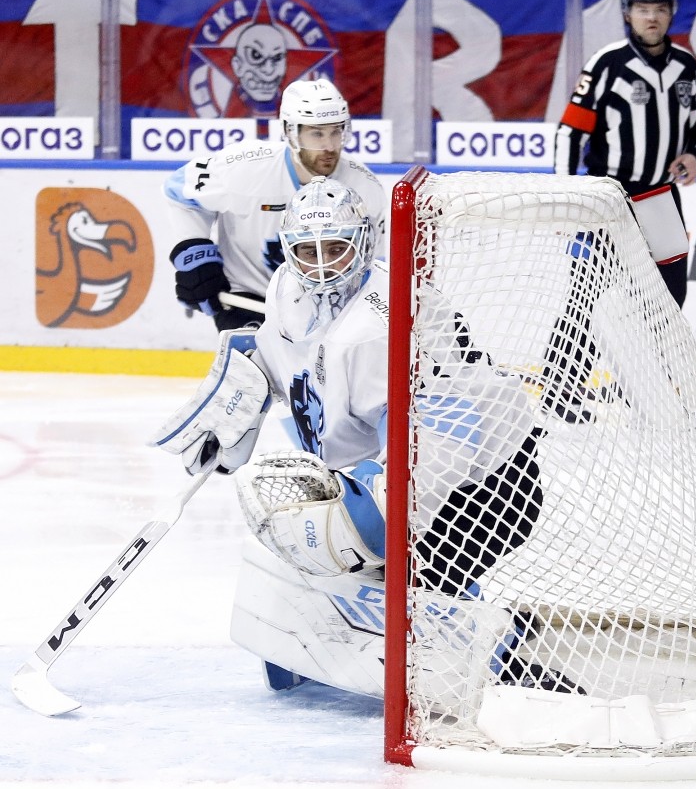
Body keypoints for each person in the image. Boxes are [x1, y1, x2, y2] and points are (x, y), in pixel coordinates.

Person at [149, 178, 556, 699]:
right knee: (354, 544)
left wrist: (372, 516)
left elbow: (431, 446)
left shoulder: (372, 329)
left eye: (336, 249)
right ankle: (441, 608)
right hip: (416, 455)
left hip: (490, 478)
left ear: (363, 243)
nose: (320, 266)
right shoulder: (286, 287)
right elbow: (280, 360)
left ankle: (501, 658)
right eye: (306, 250)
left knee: (390, 564)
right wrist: (238, 401)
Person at [163, 78, 388, 332]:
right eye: (316, 133)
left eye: (336, 132)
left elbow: (374, 264)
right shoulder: (244, 168)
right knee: (252, 371)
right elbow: (179, 190)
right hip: (247, 300)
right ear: (291, 132)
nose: (329, 146)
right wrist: (195, 254)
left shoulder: (365, 188)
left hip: (326, 308)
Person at [555, 0, 696, 308]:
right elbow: (569, 133)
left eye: (659, 8)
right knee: (583, 300)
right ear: (627, 13)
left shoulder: (688, 66)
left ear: (672, 12)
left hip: (662, 197)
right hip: (608, 198)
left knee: (670, 302)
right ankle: (564, 365)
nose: (651, 17)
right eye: (642, 8)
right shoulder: (606, 64)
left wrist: (694, 155)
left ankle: (659, 364)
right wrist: (568, 199)